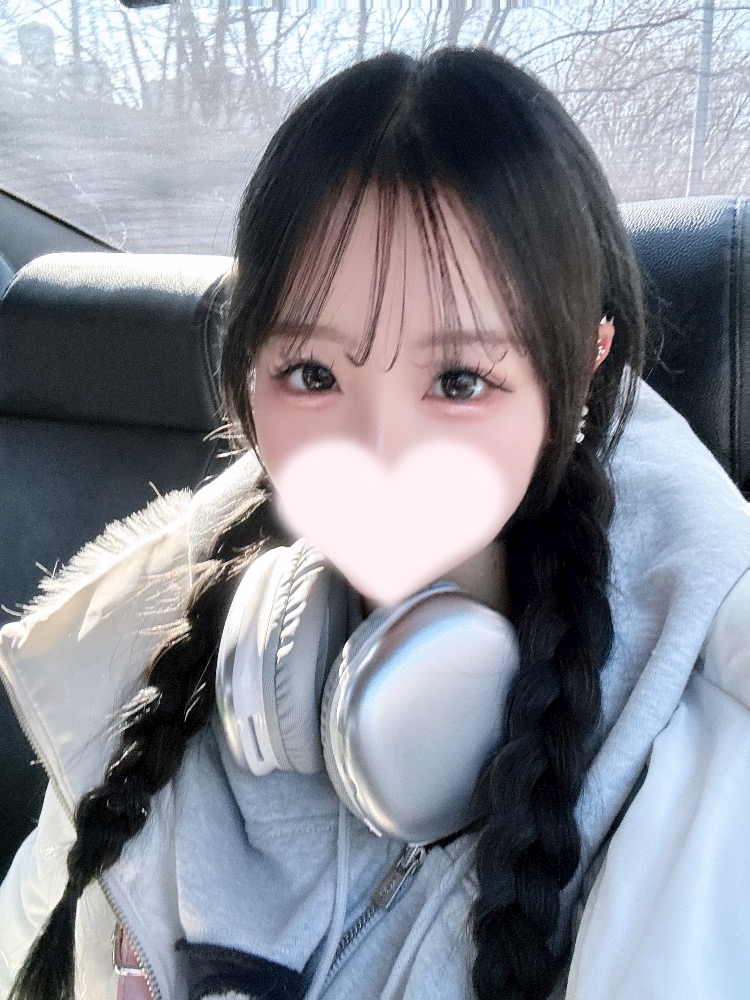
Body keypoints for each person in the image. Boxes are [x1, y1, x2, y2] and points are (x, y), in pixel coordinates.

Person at [1, 47, 749, 1000]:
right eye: (313, 374)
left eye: (459, 381)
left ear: (584, 369)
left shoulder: (709, 759)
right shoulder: (146, 658)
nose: (378, 457)